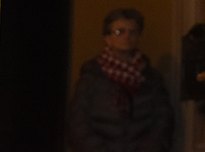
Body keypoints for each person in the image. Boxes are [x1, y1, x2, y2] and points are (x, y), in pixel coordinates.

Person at [68, 8, 174, 152]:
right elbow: (78, 121)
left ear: (138, 36)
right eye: (119, 32)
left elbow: (163, 120)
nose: (126, 37)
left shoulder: (151, 78)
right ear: (108, 38)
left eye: (132, 32)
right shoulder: (91, 77)